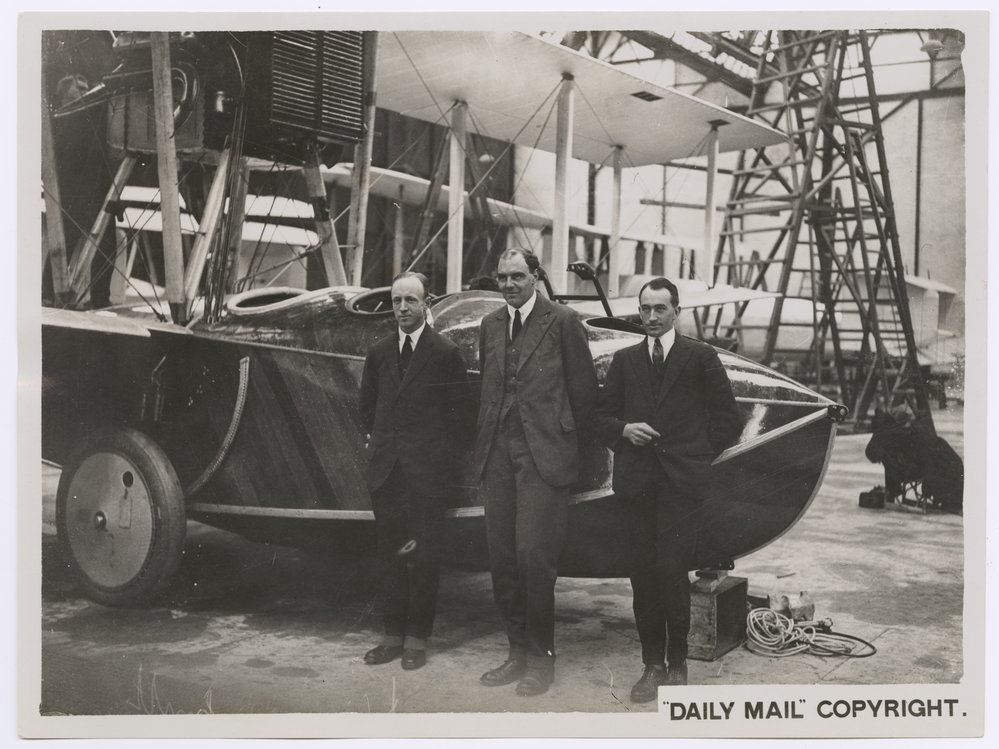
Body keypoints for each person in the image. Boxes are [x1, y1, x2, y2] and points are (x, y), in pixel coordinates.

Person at [594, 277, 742, 702]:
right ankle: (651, 665)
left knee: (672, 573)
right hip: (637, 485)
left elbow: (727, 421)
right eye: (645, 309)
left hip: (680, 485)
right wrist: (624, 429)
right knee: (642, 577)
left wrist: (693, 455)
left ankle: (678, 664)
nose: (652, 317)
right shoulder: (625, 360)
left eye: (660, 309)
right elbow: (600, 417)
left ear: (677, 310)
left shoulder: (700, 357)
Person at [473, 248, 598, 696]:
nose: (509, 285)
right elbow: (488, 388)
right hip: (498, 455)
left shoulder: (562, 321)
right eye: (502, 277)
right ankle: (516, 652)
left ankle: (541, 658)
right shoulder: (490, 325)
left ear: (536, 277)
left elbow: (584, 394)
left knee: (533, 556)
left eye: (518, 277)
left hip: (544, 455)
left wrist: (580, 459)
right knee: (502, 557)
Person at [359, 272, 473, 670]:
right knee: (390, 557)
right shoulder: (378, 353)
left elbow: (461, 418)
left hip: (427, 478)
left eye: (410, 300)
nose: (403, 308)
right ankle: (391, 637)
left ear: (426, 304)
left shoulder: (444, 353)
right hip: (388, 475)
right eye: (396, 301)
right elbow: (367, 409)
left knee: (423, 559)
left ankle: (416, 641)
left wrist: (438, 459)